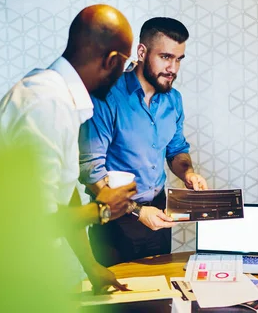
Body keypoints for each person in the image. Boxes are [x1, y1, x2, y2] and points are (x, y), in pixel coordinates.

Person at [0, 4, 137, 293]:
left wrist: (90, 265)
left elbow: (64, 191)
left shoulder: (56, 96)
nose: (125, 73)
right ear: (111, 60)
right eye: (126, 64)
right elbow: (32, 223)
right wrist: (103, 210)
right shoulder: (48, 105)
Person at [79, 17, 209, 266]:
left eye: (179, 59)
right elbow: (90, 170)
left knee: (158, 297)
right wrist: (137, 212)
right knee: (118, 301)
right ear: (141, 52)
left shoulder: (174, 100)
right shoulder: (106, 97)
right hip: (115, 218)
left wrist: (188, 174)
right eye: (166, 57)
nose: (173, 68)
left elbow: (177, 150)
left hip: (159, 214)